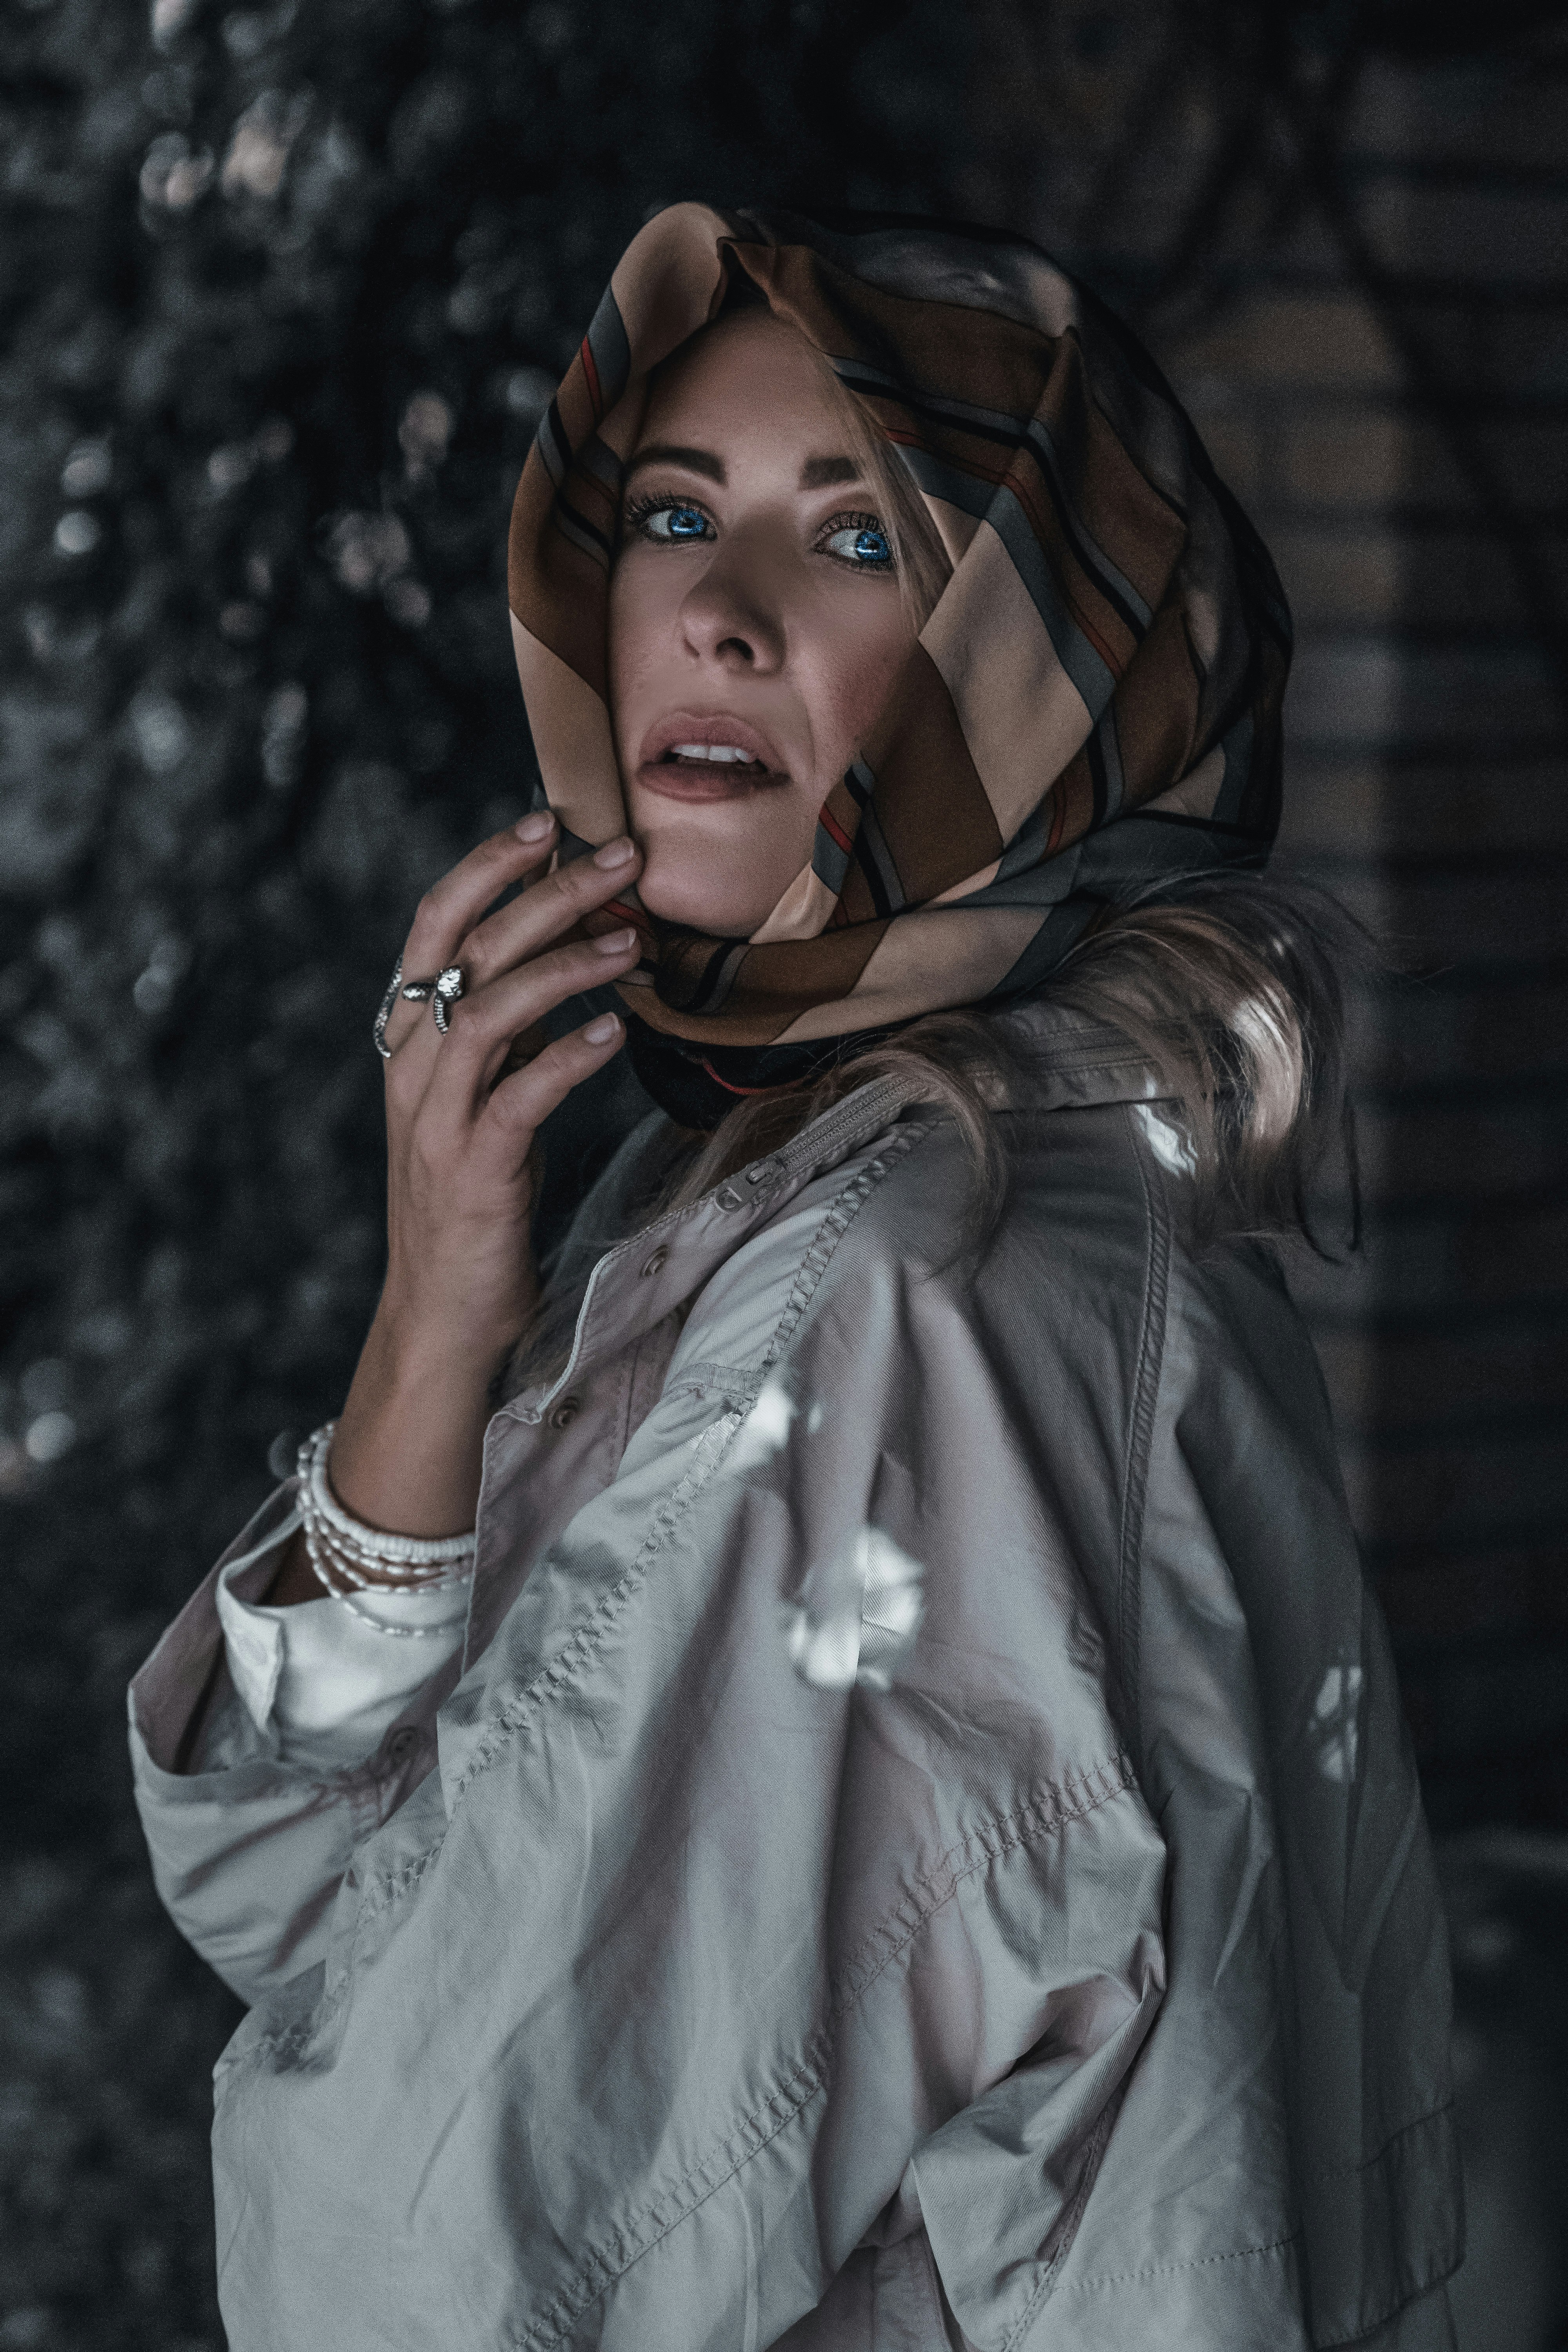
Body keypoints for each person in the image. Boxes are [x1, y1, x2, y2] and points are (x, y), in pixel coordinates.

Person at [129, 204, 1462, 2350]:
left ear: (1030, 671)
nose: (717, 617)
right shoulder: (941, 1187)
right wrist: (433, 1335)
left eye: (858, 546)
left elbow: (408, 2237)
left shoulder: (905, 1293)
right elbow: (326, 1899)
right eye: (676, 516)